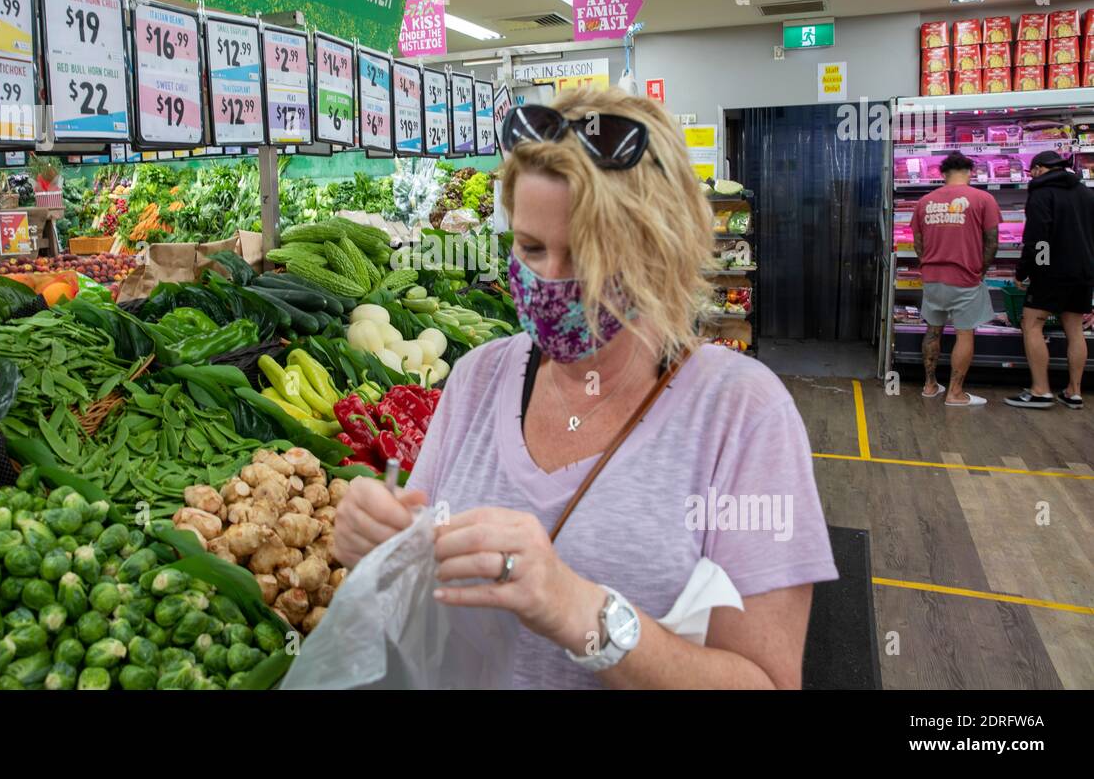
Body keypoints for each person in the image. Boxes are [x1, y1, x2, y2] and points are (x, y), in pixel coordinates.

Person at [333, 87, 837, 689]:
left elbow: (767, 682)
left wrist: (581, 612)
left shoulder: (742, 415)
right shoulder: (478, 379)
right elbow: (417, 590)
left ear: (662, 248)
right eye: (531, 248)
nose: (550, 279)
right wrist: (380, 549)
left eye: (589, 252)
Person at [1006, 150, 1094, 410]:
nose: (1030, 175)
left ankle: (1040, 390)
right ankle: (1074, 391)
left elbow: (1037, 238)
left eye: (1031, 170)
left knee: (1032, 323)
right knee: (1075, 330)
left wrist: (1027, 271)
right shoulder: (1086, 193)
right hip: (1083, 272)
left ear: (1040, 169)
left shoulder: (1041, 193)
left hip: (1052, 271)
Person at [911, 153, 1001, 406]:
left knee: (932, 330)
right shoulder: (984, 199)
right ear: (970, 171)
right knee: (964, 334)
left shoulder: (925, 201)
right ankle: (955, 393)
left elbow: (919, 242)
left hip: (932, 278)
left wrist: (928, 264)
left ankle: (929, 386)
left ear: (942, 173)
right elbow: (992, 242)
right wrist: (979, 271)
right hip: (964, 278)